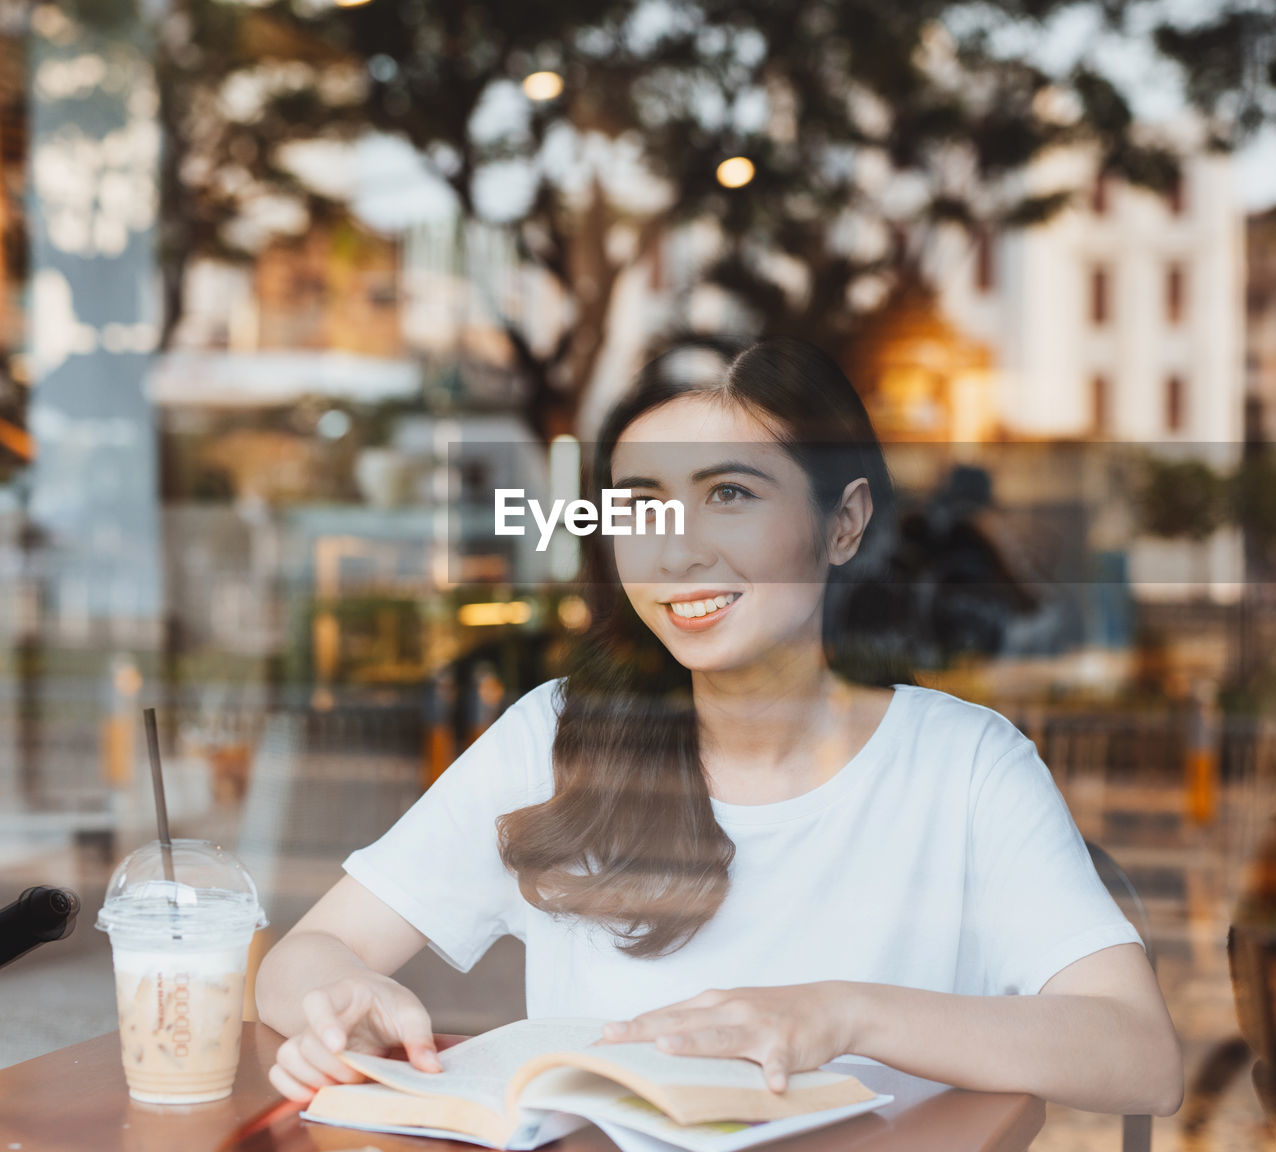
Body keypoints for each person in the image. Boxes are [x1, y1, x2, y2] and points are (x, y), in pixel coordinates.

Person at [255, 335, 1183, 1116]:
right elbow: (304, 957)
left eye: (729, 494)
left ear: (845, 522)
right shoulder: (559, 739)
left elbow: (1139, 1054)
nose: (676, 547)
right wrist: (338, 1002)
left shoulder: (965, 766)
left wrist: (841, 1016)